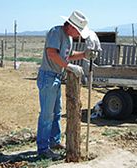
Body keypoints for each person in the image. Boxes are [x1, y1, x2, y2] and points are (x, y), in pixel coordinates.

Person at [36, 10, 96, 160]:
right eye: (79, 31)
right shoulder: (56, 32)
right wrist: (69, 67)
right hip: (48, 76)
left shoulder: (68, 37)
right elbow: (52, 53)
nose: (79, 35)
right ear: (72, 26)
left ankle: (54, 142)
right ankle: (43, 149)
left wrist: (83, 54)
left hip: (55, 76)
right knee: (47, 115)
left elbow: (66, 55)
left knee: (56, 113)